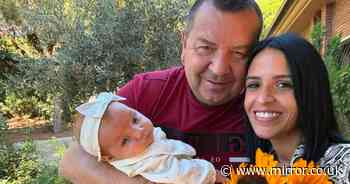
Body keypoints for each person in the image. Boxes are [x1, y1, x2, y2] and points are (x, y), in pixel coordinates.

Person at [59, 0, 263, 183]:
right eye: (205, 47)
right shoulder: (149, 90)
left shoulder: (264, 109)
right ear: (184, 44)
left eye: (238, 53)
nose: (219, 68)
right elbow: (72, 161)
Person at [244, 33, 350, 183]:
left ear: (312, 91)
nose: (263, 99)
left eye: (283, 85)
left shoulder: (345, 167)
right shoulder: (254, 171)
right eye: (254, 85)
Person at [74, 92, 226, 184]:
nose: (138, 132)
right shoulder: (148, 162)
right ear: (108, 157)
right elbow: (183, 174)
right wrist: (213, 174)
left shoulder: (139, 147)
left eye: (134, 119)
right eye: (125, 141)